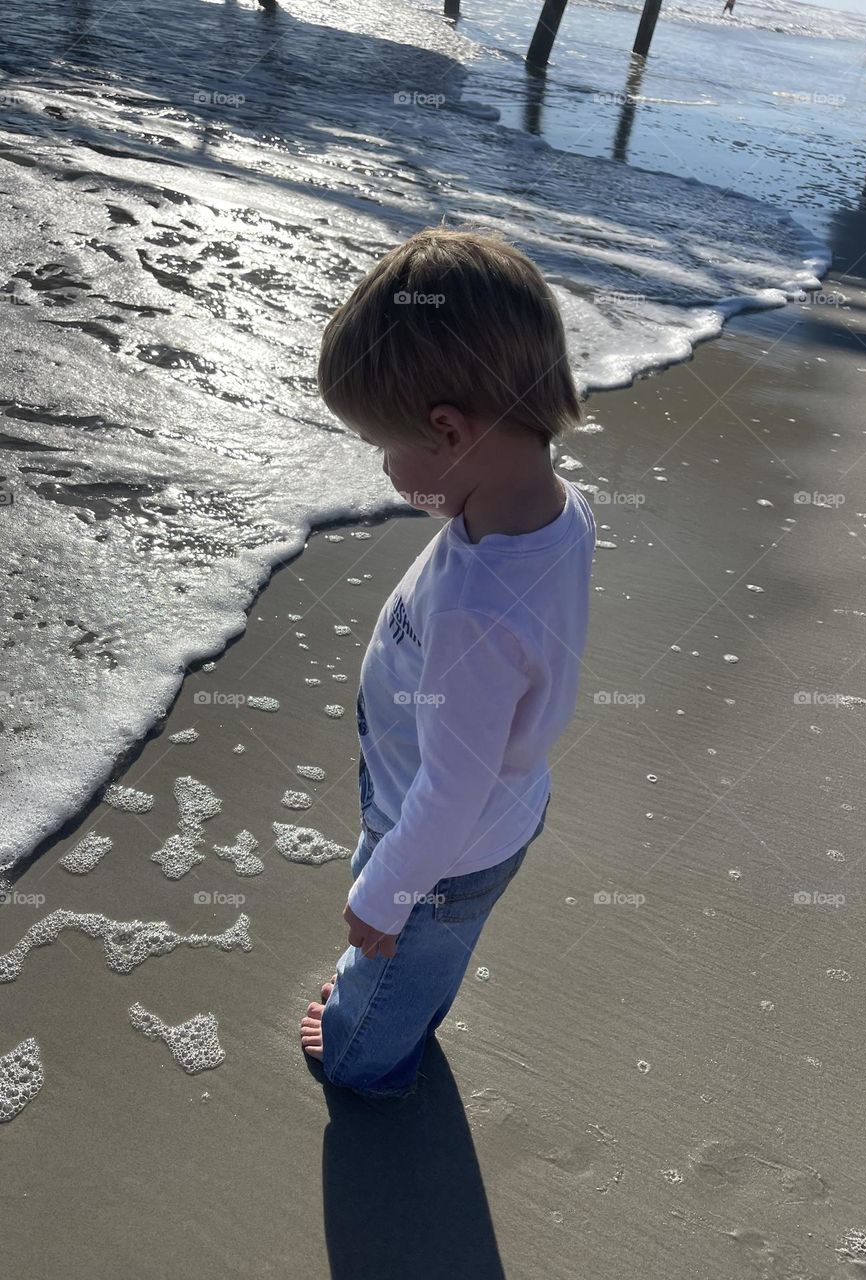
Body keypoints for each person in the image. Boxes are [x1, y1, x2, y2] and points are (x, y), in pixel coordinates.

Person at [300, 226, 597, 1098]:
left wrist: (386, 893)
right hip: (491, 818)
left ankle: (371, 1056)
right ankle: (397, 995)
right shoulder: (555, 508)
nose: (387, 470)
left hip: (444, 835)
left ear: (448, 428)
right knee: (424, 954)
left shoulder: (478, 606)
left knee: (397, 959)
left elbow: (452, 786)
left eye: (386, 448)